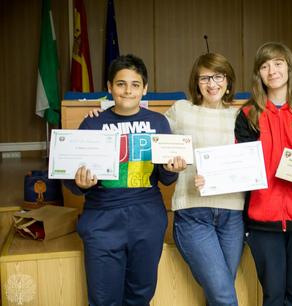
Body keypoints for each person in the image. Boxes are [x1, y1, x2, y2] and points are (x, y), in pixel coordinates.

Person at [65, 54, 185, 306]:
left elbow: (165, 179)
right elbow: (72, 180)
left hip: (147, 219)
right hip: (102, 220)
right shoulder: (93, 122)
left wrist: (173, 169)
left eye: (135, 84)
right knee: (102, 298)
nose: (127, 90)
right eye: (120, 84)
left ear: (145, 89)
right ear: (109, 88)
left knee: (140, 295)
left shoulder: (158, 122)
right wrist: (81, 184)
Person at [234, 42, 292, 306]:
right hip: (263, 219)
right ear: (258, 74)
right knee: (273, 296)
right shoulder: (247, 115)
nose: (272, 70)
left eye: (278, 63)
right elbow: (240, 164)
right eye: (264, 65)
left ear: (289, 67)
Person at [164, 53, 245, 306]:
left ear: (228, 81)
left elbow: (250, 162)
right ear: (196, 82)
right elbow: (156, 140)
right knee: (223, 295)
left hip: (233, 215)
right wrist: (169, 162)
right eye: (205, 78)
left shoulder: (241, 116)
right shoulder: (181, 110)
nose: (212, 84)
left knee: (219, 292)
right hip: (193, 213)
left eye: (218, 76)